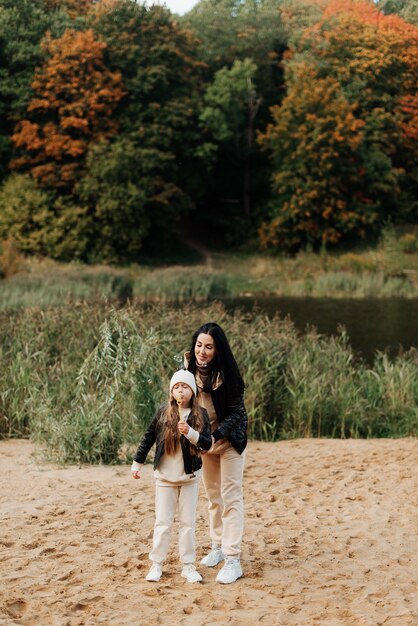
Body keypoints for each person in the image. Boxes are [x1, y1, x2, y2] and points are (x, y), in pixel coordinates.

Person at [131, 369, 211, 583]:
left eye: (185, 387)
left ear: (192, 392)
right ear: (171, 391)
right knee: (163, 523)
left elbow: (207, 443)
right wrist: (137, 463)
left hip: (189, 477)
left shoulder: (200, 414)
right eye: (176, 387)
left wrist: (190, 433)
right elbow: (148, 438)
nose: (180, 391)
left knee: (187, 523)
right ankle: (156, 564)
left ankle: (188, 566)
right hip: (165, 476)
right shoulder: (163, 412)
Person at [185, 322, 248, 584]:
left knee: (231, 496)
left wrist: (218, 435)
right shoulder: (188, 369)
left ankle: (233, 560)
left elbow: (238, 413)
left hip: (229, 440)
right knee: (213, 496)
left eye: (208, 347)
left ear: (217, 349)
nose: (202, 351)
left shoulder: (229, 376)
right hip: (205, 441)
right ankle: (218, 548)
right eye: (199, 345)